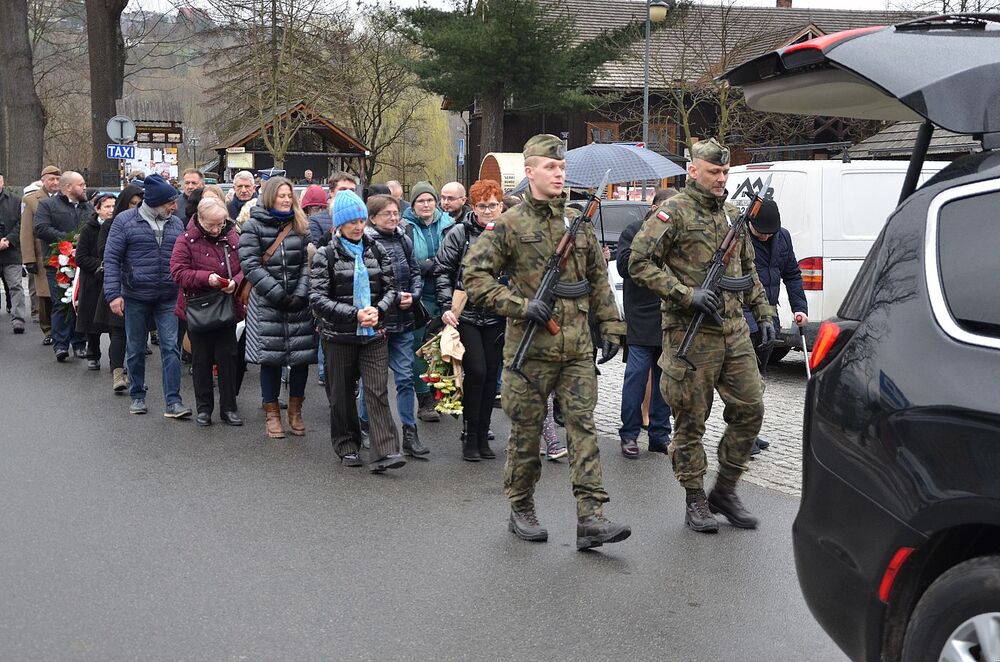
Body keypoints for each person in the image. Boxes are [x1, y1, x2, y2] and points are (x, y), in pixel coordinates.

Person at [463, 134, 631, 550]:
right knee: (526, 431)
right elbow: (475, 277)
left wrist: (611, 326)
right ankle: (521, 506)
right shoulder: (510, 223)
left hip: (576, 347)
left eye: (562, 168)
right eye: (550, 168)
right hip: (531, 347)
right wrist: (518, 305)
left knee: (583, 428)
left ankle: (591, 517)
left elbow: (598, 280)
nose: (558, 174)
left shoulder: (579, 222)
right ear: (530, 171)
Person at [628, 138, 773, 534]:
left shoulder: (731, 214)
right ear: (693, 170)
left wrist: (763, 309)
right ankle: (695, 497)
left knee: (751, 408)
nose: (721, 178)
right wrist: (685, 294)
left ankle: (724, 489)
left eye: (725, 172)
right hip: (690, 333)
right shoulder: (671, 212)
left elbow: (746, 269)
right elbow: (638, 263)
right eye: (713, 172)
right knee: (691, 419)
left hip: (734, 331)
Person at [309, 190, 403, 472]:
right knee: (341, 394)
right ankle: (347, 445)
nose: (358, 226)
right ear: (339, 224)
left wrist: (380, 310)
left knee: (376, 391)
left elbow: (391, 289)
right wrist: (355, 314)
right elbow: (317, 298)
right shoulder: (325, 254)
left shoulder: (377, 249)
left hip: (374, 334)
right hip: (338, 336)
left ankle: (385, 451)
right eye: (352, 221)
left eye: (362, 220)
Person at [103, 173, 192, 419]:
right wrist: (113, 294)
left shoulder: (176, 223)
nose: (175, 206)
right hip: (135, 295)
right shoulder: (124, 221)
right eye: (170, 202)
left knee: (171, 348)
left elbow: (183, 258)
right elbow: (111, 259)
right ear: (155, 202)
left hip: (168, 295)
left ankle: (173, 401)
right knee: (134, 348)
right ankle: (137, 395)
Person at [238, 176, 316, 439]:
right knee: (270, 361)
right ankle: (272, 414)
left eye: (288, 195)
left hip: (298, 302)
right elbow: (250, 265)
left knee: (301, 360)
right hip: (268, 303)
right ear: (270, 197)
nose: (285, 200)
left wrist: (300, 293)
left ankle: (295, 411)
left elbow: (308, 264)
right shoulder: (253, 226)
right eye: (281, 195)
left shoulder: (301, 225)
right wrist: (278, 293)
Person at [434, 179, 506, 461]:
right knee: (476, 371)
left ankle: (483, 433)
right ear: (472, 207)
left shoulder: (508, 234)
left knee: (491, 376)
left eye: (493, 205)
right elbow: (442, 270)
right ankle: (469, 433)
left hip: (498, 314)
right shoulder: (459, 234)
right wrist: (444, 307)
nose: (488, 211)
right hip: (467, 313)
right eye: (482, 206)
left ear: (501, 206)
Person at [360, 194, 428, 457]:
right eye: (387, 213)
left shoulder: (404, 239)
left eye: (396, 212)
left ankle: (410, 433)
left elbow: (415, 273)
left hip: (404, 322)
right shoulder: (366, 243)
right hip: (378, 323)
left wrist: (414, 295)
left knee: (404, 378)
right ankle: (366, 428)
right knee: (372, 382)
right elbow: (367, 284)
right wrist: (396, 299)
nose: (393, 217)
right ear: (373, 217)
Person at [170, 196, 245, 427]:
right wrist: (207, 279)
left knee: (228, 359)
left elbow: (246, 267)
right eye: (211, 224)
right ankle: (204, 409)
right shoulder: (185, 240)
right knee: (201, 361)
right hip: (198, 309)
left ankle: (229, 408)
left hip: (227, 307)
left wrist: (236, 282)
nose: (216, 229)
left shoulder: (233, 236)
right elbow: (178, 273)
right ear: (199, 219)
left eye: (220, 223)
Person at [742, 198, 808, 455]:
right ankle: (743, 435)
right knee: (745, 377)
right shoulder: (738, 238)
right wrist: (749, 324)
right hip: (744, 312)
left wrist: (799, 307)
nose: (767, 238)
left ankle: (752, 430)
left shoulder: (782, 237)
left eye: (771, 234)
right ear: (750, 223)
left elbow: (792, 273)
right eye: (762, 233)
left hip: (770, 312)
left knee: (759, 375)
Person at [615, 188, 677, 458]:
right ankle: (629, 434)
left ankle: (659, 435)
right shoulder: (634, 230)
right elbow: (623, 265)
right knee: (636, 378)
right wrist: (651, 249)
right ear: (653, 207)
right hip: (641, 316)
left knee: (665, 381)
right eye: (665, 208)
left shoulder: (678, 233)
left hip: (669, 314)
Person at [402, 181, 454, 423]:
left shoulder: (449, 224)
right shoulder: (405, 227)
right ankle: (424, 400)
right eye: (421, 201)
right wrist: (432, 265)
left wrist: (432, 266)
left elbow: (454, 259)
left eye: (430, 200)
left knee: (445, 348)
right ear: (413, 204)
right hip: (418, 297)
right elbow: (408, 262)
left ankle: (443, 396)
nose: (426, 204)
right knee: (417, 349)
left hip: (445, 295)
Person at [34, 171, 91, 362]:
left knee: (79, 302)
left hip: (82, 262)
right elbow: (40, 228)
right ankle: (60, 345)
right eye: (81, 185)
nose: (84, 188)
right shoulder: (48, 205)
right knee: (61, 303)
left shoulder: (87, 206)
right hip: (58, 263)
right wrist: (67, 238)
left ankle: (79, 343)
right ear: (68, 188)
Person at [94, 185, 143, 393]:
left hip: (139, 283)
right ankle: (117, 371)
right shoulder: (111, 224)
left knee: (137, 334)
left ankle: (134, 375)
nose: (135, 207)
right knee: (119, 331)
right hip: (118, 282)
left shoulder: (144, 222)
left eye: (139, 204)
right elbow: (105, 252)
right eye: (132, 203)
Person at [74, 193, 117, 369]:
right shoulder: (89, 229)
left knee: (115, 322)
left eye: (114, 206)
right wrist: (102, 265)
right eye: (107, 207)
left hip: (113, 280)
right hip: (92, 280)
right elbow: (81, 257)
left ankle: (116, 358)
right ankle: (93, 353)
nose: (111, 210)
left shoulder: (118, 226)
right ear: (97, 209)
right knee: (92, 319)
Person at [20, 165, 62, 344]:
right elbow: (26, 232)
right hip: (41, 255)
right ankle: (48, 330)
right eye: (51, 179)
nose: (55, 182)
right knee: (44, 296)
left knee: (63, 293)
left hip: (64, 253)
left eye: (57, 179)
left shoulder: (65, 198)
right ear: (43, 180)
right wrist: (28, 259)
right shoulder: (31, 200)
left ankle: (63, 330)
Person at [0, 172, 26, 334]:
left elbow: (22, 223)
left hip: (11, 251)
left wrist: (8, 240)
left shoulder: (16, 201)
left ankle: (18, 319)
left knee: (16, 286)